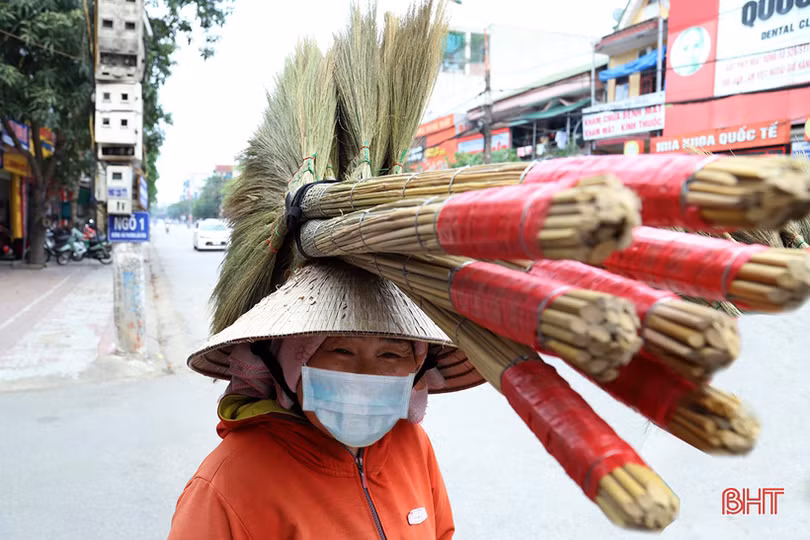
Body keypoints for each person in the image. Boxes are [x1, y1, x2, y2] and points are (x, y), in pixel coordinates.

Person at [168, 262, 473, 539]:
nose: (365, 377)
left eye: (391, 354)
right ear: (291, 365)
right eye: (341, 351)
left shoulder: (413, 445)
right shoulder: (225, 484)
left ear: (417, 369)